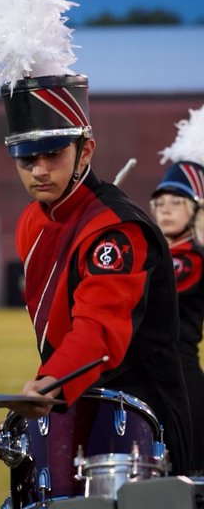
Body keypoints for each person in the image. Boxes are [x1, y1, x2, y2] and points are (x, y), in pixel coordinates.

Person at [0, 75, 193, 473]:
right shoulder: (33, 221)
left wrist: (51, 381)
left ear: (85, 150)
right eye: (26, 158)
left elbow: (99, 330)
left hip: (140, 420)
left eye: (52, 154)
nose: (38, 170)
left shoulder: (117, 229)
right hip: (79, 404)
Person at [152, 107, 204, 471]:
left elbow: (153, 294)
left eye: (177, 203)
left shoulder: (190, 259)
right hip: (153, 382)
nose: (166, 210)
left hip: (182, 384)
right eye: (161, 203)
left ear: (195, 210)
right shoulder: (159, 254)